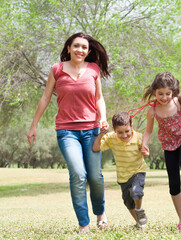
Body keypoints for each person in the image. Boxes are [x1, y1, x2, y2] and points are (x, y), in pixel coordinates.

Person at [27, 32, 110, 233]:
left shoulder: (93, 69)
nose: (80, 50)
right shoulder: (57, 70)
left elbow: (99, 98)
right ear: (68, 48)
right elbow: (46, 98)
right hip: (67, 131)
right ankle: (84, 223)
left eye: (84, 47)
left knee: (95, 177)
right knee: (78, 174)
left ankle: (100, 213)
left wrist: (103, 117)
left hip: (91, 130)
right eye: (76, 46)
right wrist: (33, 125)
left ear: (88, 51)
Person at [141, 72, 181, 230]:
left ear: (173, 92)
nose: (164, 97)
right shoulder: (152, 111)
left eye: (167, 93)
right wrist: (144, 144)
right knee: (173, 183)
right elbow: (148, 131)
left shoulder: (179, 102)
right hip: (168, 145)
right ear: (154, 92)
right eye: (160, 94)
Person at [92, 111, 149, 228]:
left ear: (131, 127)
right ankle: (139, 222)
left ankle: (139, 209)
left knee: (136, 192)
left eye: (127, 131)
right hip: (123, 176)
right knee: (128, 202)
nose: (124, 135)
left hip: (138, 171)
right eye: (120, 132)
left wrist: (146, 152)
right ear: (114, 129)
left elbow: (146, 152)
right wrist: (101, 134)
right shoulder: (111, 137)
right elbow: (96, 147)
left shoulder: (138, 137)